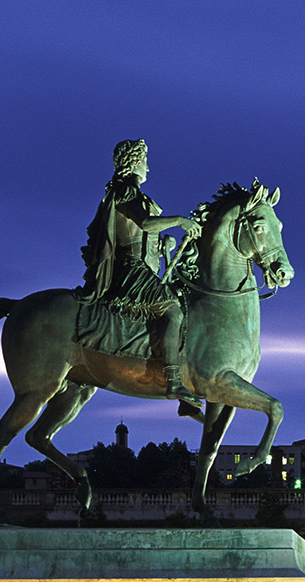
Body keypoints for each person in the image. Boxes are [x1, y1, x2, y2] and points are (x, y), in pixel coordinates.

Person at [77, 138, 204, 412]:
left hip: (145, 267)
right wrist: (180, 220)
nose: (148, 167)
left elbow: (142, 234)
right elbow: (144, 224)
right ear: (134, 162)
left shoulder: (135, 194)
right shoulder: (124, 190)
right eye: (145, 160)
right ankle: (172, 381)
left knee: (182, 302)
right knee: (173, 311)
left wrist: (163, 245)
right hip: (131, 270)